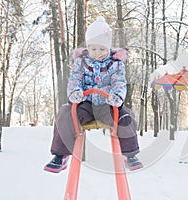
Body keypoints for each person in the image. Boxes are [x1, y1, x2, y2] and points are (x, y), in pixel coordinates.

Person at [44, 16, 143, 173]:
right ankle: (60, 156)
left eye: (102, 49)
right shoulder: (81, 62)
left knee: (126, 116)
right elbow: (74, 80)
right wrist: (75, 93)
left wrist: (117, 96)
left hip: (107, 106)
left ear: (108, 48)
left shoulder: (116, 63)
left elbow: (119, 82)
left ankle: (130, 155)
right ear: (88, 47)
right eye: (94, 49)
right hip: (86, 105)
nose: (98, 53)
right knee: (65, 113)